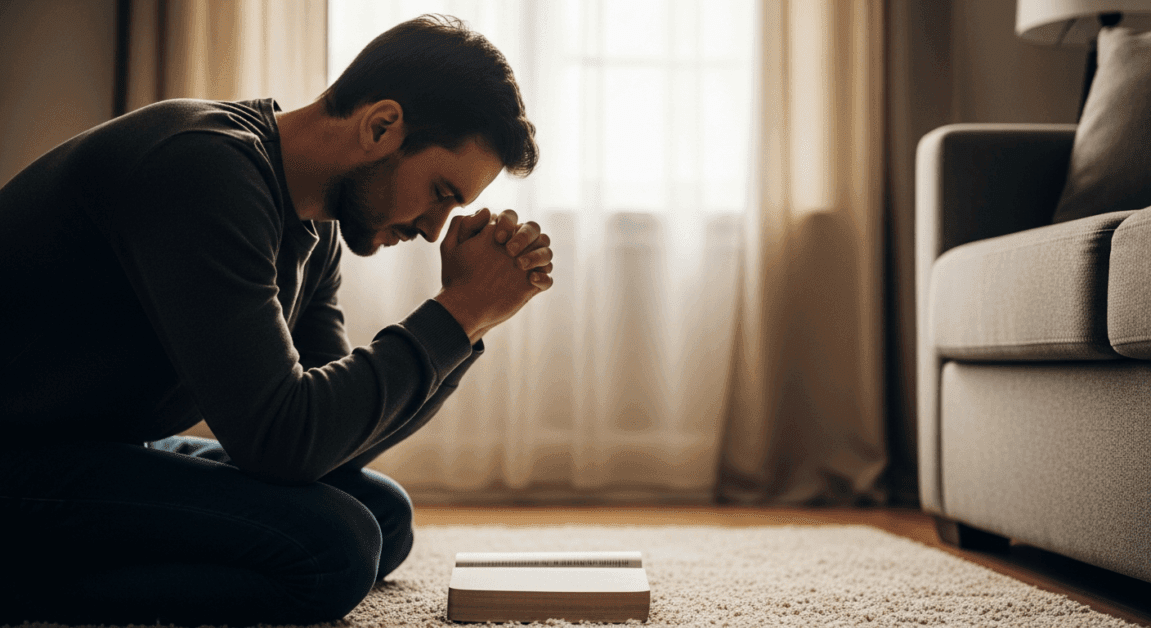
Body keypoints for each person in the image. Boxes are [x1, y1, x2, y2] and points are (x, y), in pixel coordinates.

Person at [0, 14, 552, 625]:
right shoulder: (203, 169)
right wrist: (459, 312)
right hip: (19, 455)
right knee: (334, 549)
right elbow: (283, 443)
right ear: (381, 125)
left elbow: (328, 447)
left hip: (98, 446)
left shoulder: (315, 232)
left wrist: (464, 327)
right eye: (442, 191)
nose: (432, 228)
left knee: (382, 517)